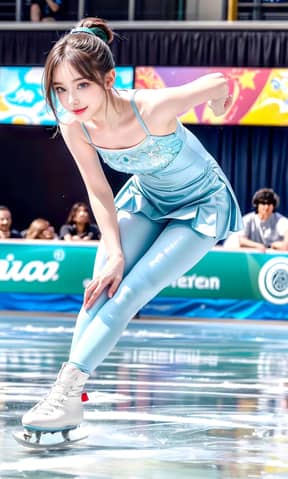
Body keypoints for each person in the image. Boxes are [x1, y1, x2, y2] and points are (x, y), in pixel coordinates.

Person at [21, 17, 242, 439]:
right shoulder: (74, 125)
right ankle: (67, 400)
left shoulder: (151, 107)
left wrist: (219, 104)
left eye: (81, 86)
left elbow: (218, 81)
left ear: (109, 79)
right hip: (146, 200)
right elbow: (97, 189)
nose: (71, 100)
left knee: (129, 292)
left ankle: (64, 395)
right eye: (61, 90)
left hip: (199, 206)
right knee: (100, 284)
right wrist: (114, 250)